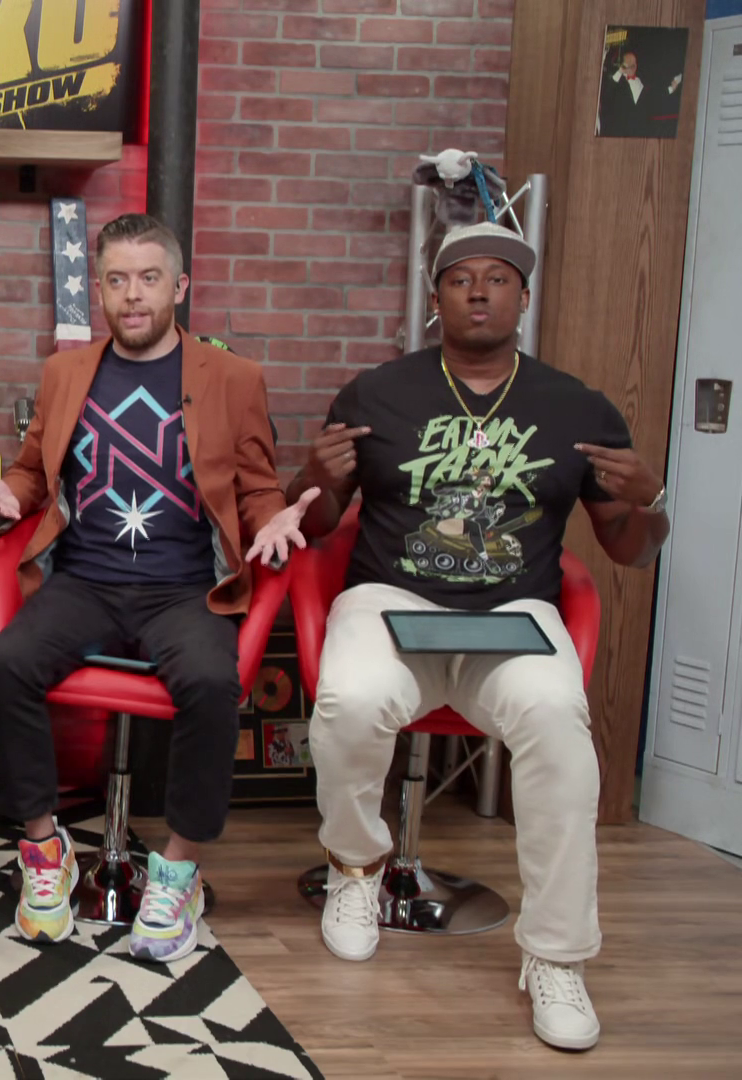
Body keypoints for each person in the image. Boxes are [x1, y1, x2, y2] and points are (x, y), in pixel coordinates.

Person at [288, 221, 669, 1052]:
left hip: (511, 614)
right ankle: (356, 869)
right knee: (349, 698)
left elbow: (629, 550)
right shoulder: (375, 394)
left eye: (498, 279)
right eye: (462, 279)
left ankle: (557, 955)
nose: (480, 292)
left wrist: (652, 497)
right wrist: (314, 481)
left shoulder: (577, 408)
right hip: (391, 600)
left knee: (560, 723)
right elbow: (314, 527)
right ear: (437, 299)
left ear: (523, 297)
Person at [0, 213, 314, 958]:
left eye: (149, 278)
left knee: (211, 682)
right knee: (7, 664)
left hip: (183, 590)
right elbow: (33, 471)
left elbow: (256, 486)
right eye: (117, 280)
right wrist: (11, 496)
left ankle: (179, 872)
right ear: (98, 289)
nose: (133, 295)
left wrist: (274, 518)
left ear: (179, 286)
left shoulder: (233, 379)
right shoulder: (65, 373)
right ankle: (46, 852)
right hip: (85, 582)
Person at [597, 49, 682, 137]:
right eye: (627, 65)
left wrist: (671, 88)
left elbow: (655, 95)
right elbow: (608, 92)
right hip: (620, 133)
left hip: (640, 132)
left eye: (632, 65)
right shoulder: (618, 83)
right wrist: (619, 72)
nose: (631, 68)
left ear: (635, 66)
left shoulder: (642, 81)